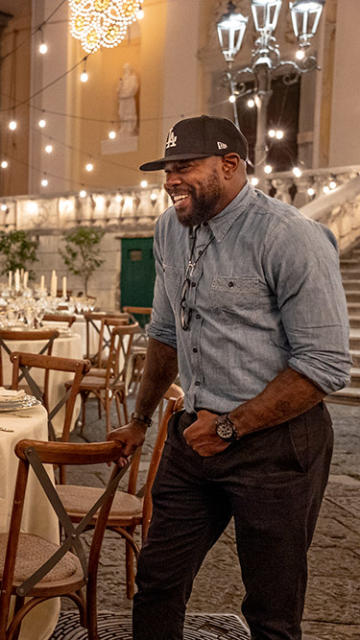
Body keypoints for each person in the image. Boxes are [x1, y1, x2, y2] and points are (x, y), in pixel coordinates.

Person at [109, 116, 351, 640]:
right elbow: (166, 332)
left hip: (278, 447)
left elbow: (326, 364)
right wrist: (139, 419)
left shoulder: (290, 236)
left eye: (185, 167)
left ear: (231, 165)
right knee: (157, 583)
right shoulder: (168, 229)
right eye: (167, 169)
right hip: (194, 436)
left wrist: (230, 428)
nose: (171, 180)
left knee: (271, 608)